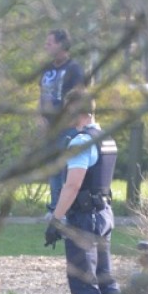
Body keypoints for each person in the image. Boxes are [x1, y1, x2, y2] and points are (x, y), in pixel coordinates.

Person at [45, 88, 120, 294]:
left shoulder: (81, 141)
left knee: (84, 282)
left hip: (84, 220)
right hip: (103, 214)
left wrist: (56, 218)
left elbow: (73, 184)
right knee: (105, 279)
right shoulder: (106, 138)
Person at [38, 28, 85, 210]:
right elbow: (41, 94)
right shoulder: (47, 68)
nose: (46, 46)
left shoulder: (74, 69)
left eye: (49, 43)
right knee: (53, 170)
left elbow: (79, 98)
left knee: (66, 169)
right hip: (49, 129)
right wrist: (40, 117)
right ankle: (54, 208)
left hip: (67, 128)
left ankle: (65, 209)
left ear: (62, 45)